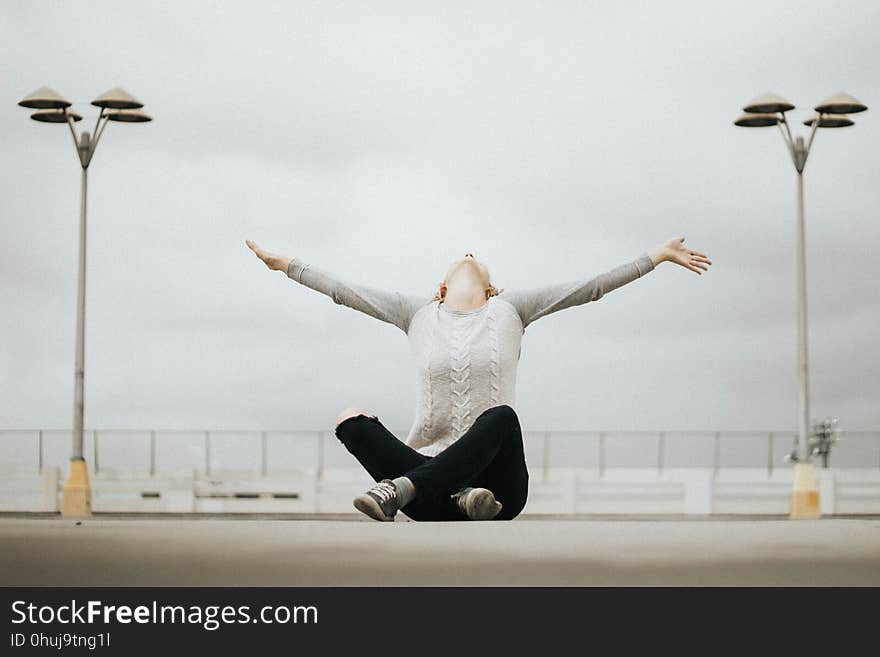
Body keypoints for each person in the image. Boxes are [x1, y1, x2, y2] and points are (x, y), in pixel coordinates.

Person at [245, 237, 711, 521]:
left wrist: (655, 256)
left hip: (501, 487)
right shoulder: (417, 314)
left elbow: (589, 288)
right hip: (431, 473)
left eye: (479, 259)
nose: (469, 253)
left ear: (492, 288)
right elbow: (345, 292)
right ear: (441, 287)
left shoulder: (512, 310)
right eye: (460, 257)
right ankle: (455, 499)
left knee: (501, 417)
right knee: (350, 419)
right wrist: (286, 266)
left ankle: (406, 490)